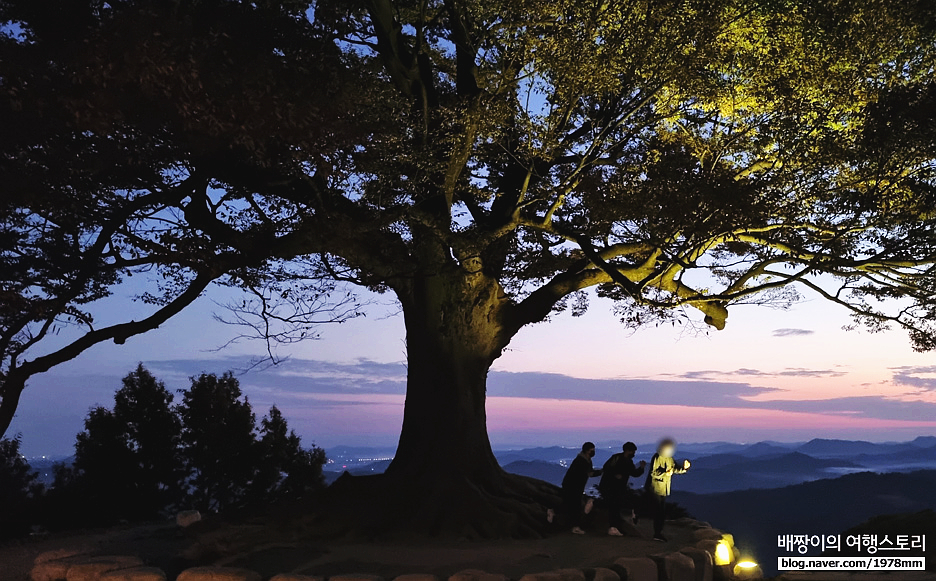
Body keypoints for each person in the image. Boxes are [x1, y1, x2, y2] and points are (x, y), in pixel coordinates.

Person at [645, 438, 690, 542]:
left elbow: (674, 468)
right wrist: (666, 472)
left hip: (664, 489)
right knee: (659, 511)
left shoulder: (669, 458)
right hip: (655, 487)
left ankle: (657, 531)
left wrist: (684, 469)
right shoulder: (658, 457)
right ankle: (657, 534)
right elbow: (654, 473)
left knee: (659, 510)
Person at [598, 441, 646, 536]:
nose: (634, 454)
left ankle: (615, 527)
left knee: (616, 506)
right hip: (609, 486)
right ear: (627, 451)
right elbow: (606, 467)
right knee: (614, 506)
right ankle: (613, 528)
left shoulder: (628, 461)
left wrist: (641, 468)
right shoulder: (616, 458)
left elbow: (634, 473)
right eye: (632, 452)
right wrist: (615, 475)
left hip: (619, 488)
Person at [553, 442, 602, 534]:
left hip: (573, 485)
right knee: (575, 506)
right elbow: (589, 473)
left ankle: (556, 514)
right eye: (592, 450)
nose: (593, 452)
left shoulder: (586, 460)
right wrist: (601, 472)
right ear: (587, 450)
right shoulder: (582, 461)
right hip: (573, 486)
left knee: (569, 504)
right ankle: (575, 526)